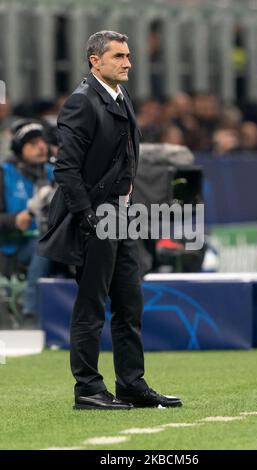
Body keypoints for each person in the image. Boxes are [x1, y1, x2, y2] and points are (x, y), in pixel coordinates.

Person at [39, 31, 182, 410]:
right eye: (118, 56)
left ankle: (131, 384)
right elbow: (66, 169)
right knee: (91, 305)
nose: (127, 63)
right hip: (98, 215)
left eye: (129, 56)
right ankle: (87, 388)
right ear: (94, 61)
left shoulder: (119, 95)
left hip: (123, 213)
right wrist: (86, 214)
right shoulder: (81, 103)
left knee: (129, 303)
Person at [0, 120, 53, 327]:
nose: (41, 147)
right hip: (10, 243)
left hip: (46, 240)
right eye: (32, 144)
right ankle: (30, 310)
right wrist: (15, 220)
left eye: (42, 142)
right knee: (43, 245)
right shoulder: (4, 173)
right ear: (20, 150)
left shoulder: (53, 173)